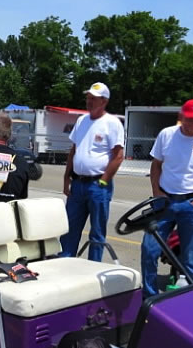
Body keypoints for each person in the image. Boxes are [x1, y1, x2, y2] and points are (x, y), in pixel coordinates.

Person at [141, 99, 193, 298]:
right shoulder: (167, 135)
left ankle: (186, 300)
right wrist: (156, 192)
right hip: (165, 202)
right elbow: (156, 165)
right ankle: (150, 297)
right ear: (182, 117)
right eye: (190, 120)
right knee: (149, 249)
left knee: (190, 258)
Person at [60, 82, 124, 262]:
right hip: (78, 183)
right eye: (88, 98)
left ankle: (93, 266)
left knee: (97, 232)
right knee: (69, 228)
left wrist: (104, 180)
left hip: (98, 185)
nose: (89, 102)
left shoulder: (112, 123)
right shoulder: (81, 120)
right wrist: (67, 177)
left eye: (93, 99)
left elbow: (118, 156)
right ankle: (65, 262)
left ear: (104, 101)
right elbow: (74, 149)